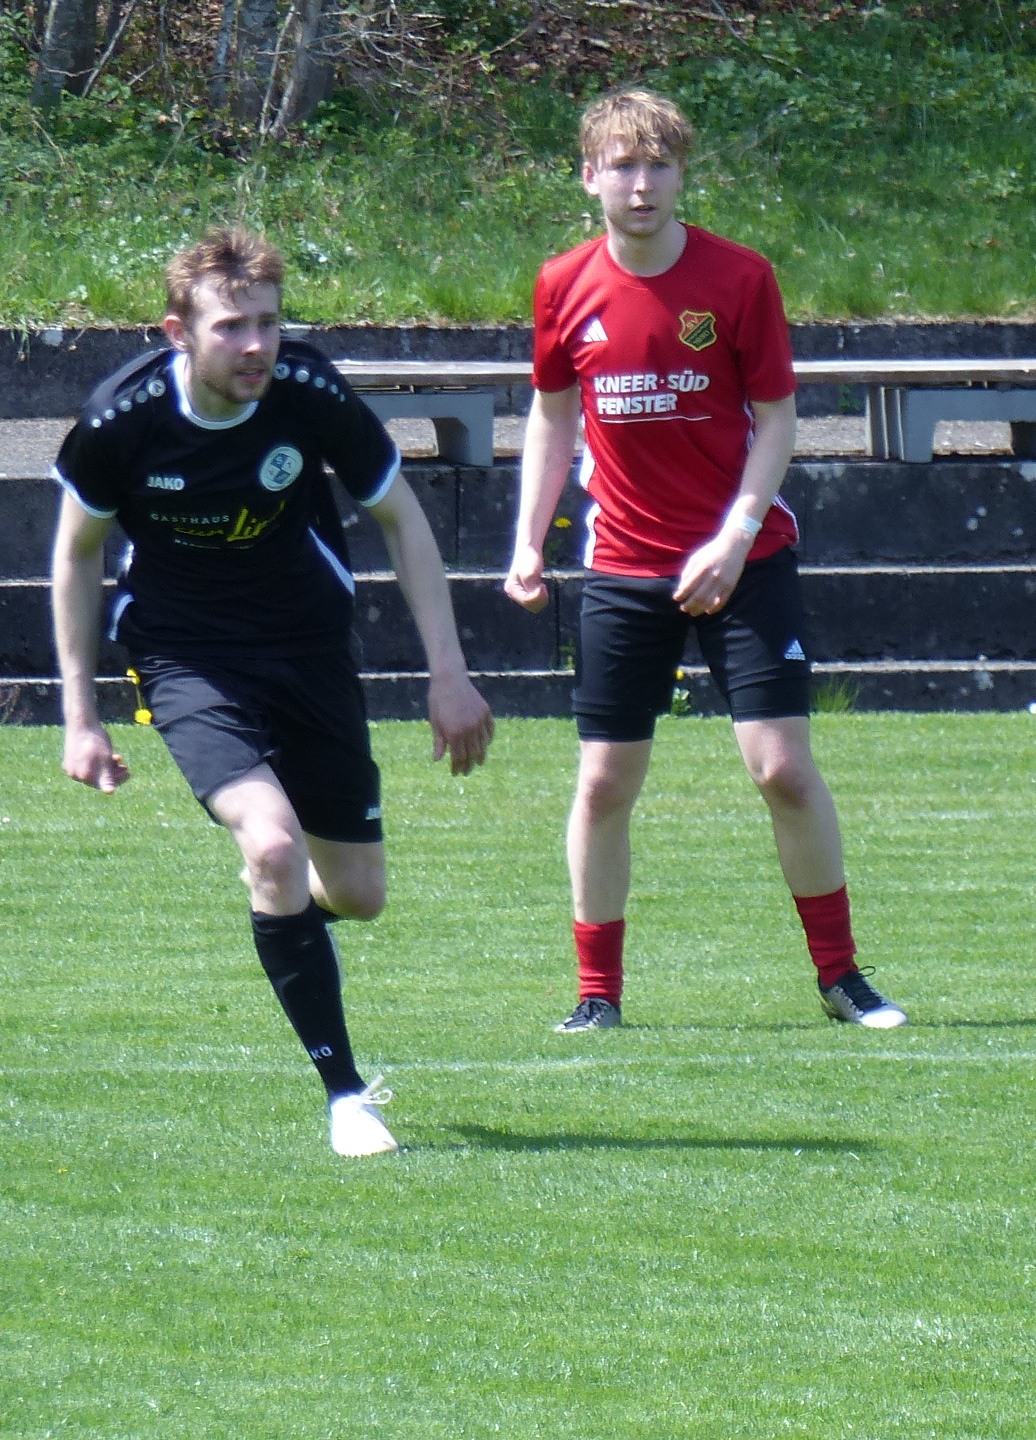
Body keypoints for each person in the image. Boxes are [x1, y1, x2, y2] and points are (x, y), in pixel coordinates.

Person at [52, 227, 497, 1156]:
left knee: (360, 896)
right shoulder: (119, 420)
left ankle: (279, 908)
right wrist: (81, 717)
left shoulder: (308, 391)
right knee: (272, 841)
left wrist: (449, 674)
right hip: (186, 660)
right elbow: (77, 552)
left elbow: (401, 518)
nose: (256, 345)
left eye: (268, 322)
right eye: (231, 327)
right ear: (177, 332)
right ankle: (346, 1097)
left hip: (309, 651)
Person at [505, 87, 903, 1034]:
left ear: (683, 174)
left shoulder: (740, 277)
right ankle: (596, 995)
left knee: (783, 771)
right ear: (589, 177)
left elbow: (778, 419)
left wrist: (734, 535)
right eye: (623, 166)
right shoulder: (562, 284)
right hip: (623, 566)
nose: (642, 185)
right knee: (603, 784)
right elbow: (553, 418)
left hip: (746, 562)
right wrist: (526, 540)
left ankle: (842, 977)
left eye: (660, 166)